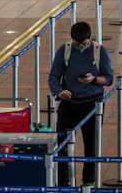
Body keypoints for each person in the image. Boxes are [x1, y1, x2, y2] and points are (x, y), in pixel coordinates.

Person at [48, 22, 113, 187]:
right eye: (77, 43)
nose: (80, 46)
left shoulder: (100, 52)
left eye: (83, 43)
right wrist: (59, 92)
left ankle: (88, 182)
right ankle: (63, 182)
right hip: (69, 103)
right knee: (62, 144)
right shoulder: (65, 50)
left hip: (92, 105)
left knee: (91, 145)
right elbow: (54, 77)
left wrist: (94, 79)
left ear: (90, 38)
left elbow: (109, 78)